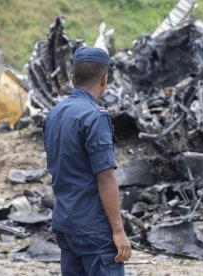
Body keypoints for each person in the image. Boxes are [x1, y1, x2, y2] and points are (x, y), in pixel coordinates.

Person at [43, 46, 131, 275]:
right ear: (105, 80)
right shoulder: (95, 116)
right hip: (94, 229)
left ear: (73, 79)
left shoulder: (53, 114)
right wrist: (118, 231)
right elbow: (106, 177)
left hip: (66, 224)